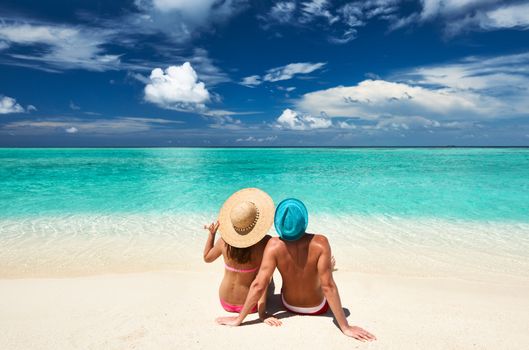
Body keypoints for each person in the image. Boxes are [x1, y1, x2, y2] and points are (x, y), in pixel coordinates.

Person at [216, 198, 376, 342]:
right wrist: (345, 327)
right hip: (317, 307)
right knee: (323, 276)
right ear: (304, 221)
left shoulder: (273, 245)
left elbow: (259, 284)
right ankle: (327, 268)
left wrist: (238, 320)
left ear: (279, 224)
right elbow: (328, 287)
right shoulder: (321, 243)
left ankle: (327, 269)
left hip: (288, 304)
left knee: (269, 276)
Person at [203, 188, 281, 326]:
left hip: (225, 302)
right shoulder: (264, 243)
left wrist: (212, 234)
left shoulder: (224, 242)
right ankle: (260, 308)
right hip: (249, 306)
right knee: (267, 272)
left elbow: (207, 258)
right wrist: (262, 313)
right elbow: (261, 282)